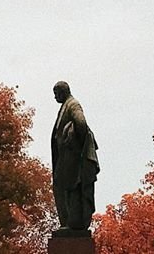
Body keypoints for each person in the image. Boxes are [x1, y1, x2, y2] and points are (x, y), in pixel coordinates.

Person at [50, 80, 99, 235]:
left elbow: (81, 124)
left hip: (73, 159)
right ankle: (70, 222)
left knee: (72, 188)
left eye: (56, 93)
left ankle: (75, 223)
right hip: (67, 159)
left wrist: (74, 145)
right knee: (66, 188)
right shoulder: (66, 106)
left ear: (63, 92)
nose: (55, 97)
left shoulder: (73, 105)